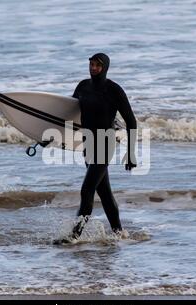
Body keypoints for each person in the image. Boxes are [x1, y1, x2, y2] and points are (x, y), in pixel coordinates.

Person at [55, 53, 137, 244]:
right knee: (105, 194)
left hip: (106, 142)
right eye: (91, 64)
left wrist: (130, 153)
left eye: (97, 65)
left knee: (87, 189)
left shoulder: (114, 90)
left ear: (105, 67)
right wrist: (47, 137)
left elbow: (131, 121)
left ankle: (74, 235)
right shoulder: (83, 87)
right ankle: (119, 233)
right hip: (88, 143)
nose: (93, 68)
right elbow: (71, 115)